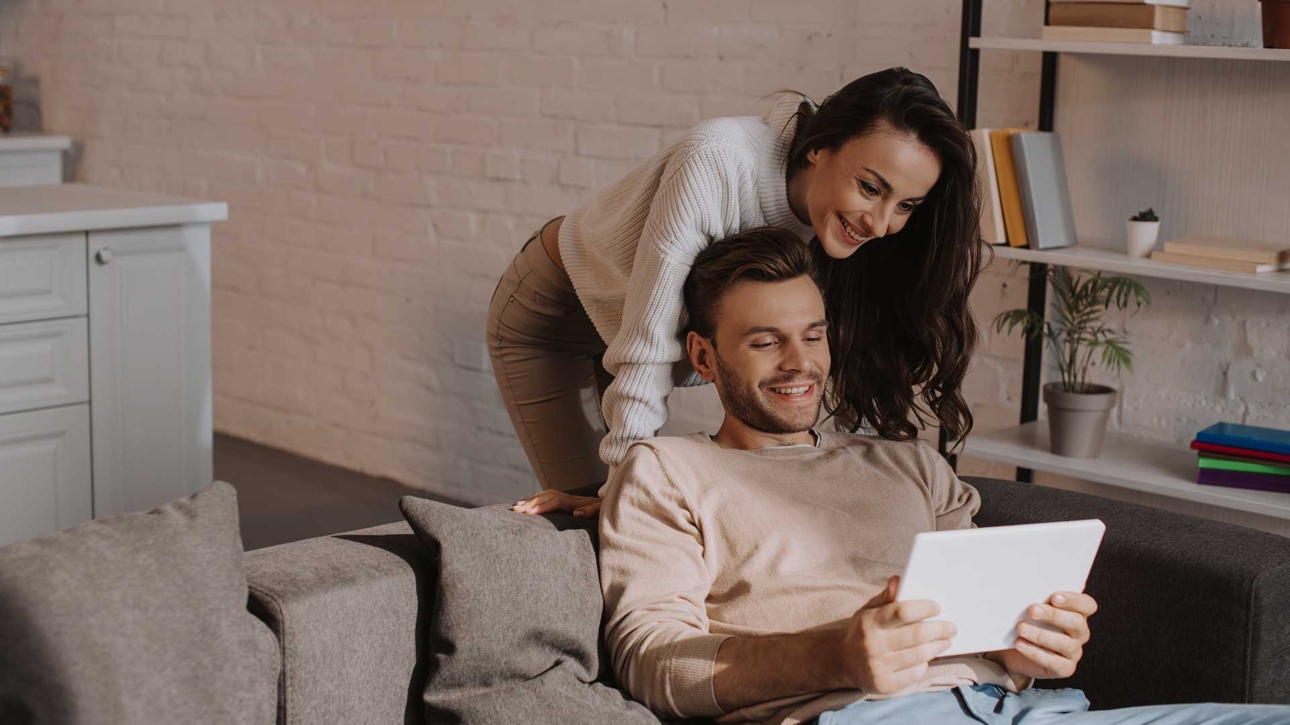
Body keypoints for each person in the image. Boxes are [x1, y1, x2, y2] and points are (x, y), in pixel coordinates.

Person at [597, 228, 1290, 725]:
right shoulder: (667, 470)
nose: (799, 362)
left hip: (1023, 709)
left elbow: (986, 623)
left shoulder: (910, 464)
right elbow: (654, 662)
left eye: (812, 333)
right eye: (763, 340)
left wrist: (1029, 648)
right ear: (705, 356)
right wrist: (835, 654)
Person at [500, 66, 983, 516]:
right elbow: (648, 345)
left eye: (907, 205)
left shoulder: (849, 231)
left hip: (633, 327)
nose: (881, 224)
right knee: (609, 512)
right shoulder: (716, 161)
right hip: (554, 314)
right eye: (870, 188)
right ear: (819, 148)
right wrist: (623, 491)